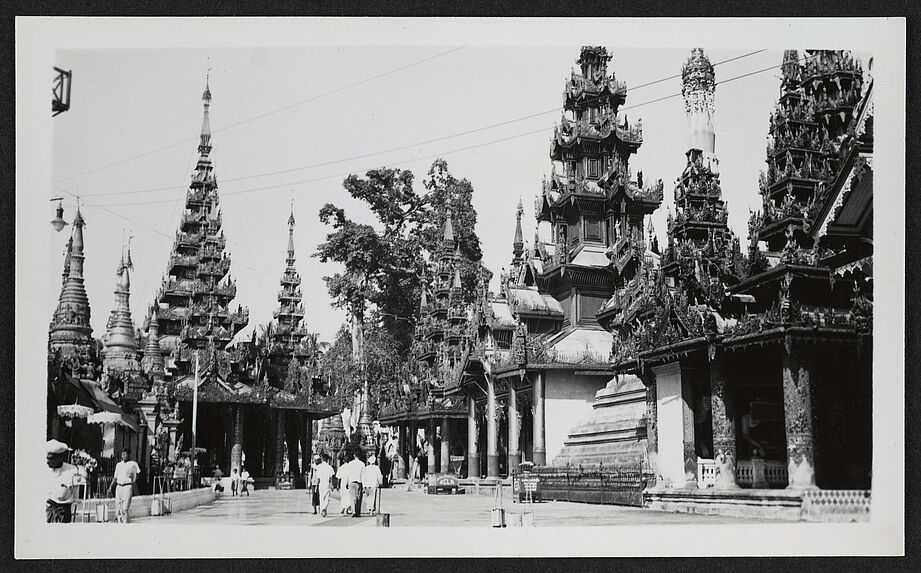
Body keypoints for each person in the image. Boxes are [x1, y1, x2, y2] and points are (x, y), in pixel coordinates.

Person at [46, 439, 78, 523]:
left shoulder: (71, 470)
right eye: (46, 458)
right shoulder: (44, 470)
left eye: (51, 458)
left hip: (63, 514)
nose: (47, 462)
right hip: (46, 512)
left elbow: (75, 494)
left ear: (60, 457)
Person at [109, 448, 140, 523]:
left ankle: (126, 524)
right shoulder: (118, 465)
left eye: (125, 454)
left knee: (125, 508)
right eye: (122, 454)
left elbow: (136, 475)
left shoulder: (133, 464)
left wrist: (134, 478)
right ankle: (121, 525)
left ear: (129, 455)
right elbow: (115, 477)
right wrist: (110, 487)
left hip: (127, 487)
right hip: (119, 487)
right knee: (118, 509)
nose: (123, 456)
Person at [346, 451, 366, 518]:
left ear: (354, 455)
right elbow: (363, 475)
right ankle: (357, 512)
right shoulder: (362, 464)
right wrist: (364, 486)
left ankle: (353, 511)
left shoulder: (350, 464)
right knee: (358, 498)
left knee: (352, 497)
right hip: (359, 482)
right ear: (359, 456)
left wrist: (347, 482)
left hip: (351, 482)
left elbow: (348, 474)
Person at [313, 453, 335, 517]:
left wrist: (316, 486)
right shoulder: (329, 467)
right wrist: (332, 485)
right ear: (327, 460)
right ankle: (324, 508)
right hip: (327, 483)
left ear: (322, 459)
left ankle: (323, 510)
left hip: (321, 484)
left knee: (321, 498)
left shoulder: (319, 467)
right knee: (327, 498)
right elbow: (331, 477)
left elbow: (318, 478)